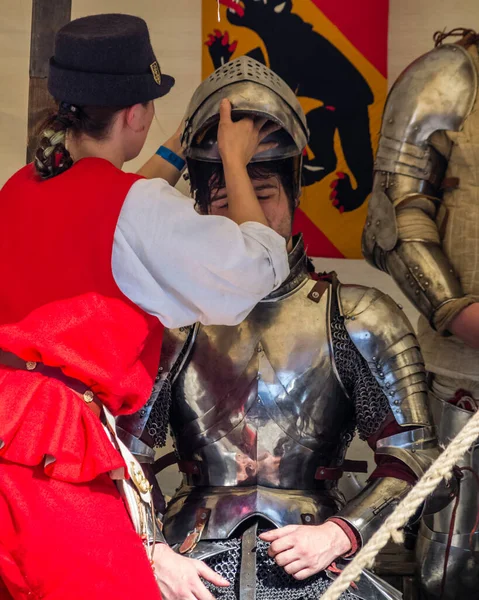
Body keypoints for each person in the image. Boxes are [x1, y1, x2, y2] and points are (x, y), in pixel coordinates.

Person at [117, 57, 448, 600]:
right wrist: (154, 551)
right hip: (187, 560)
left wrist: (343, 532)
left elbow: (419, 457)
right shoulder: (169, 317)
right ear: (198, 209)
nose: (243, 221)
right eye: (224, 200)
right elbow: (123, 459)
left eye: (261, 195)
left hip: (315, 553)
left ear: (294, 196)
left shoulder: (359, 314)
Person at [0, 14, 291, 600]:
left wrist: (176, 150)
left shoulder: (20, 187)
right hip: (54, 456)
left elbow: (112, 208)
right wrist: (234, 160)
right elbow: (258, 267)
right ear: (136, 113)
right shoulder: (135, 207)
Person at [361, 28, 479, 599]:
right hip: (465, 379)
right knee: (452, 569)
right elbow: (392, 218)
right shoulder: (450, 77)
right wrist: (458, 313)